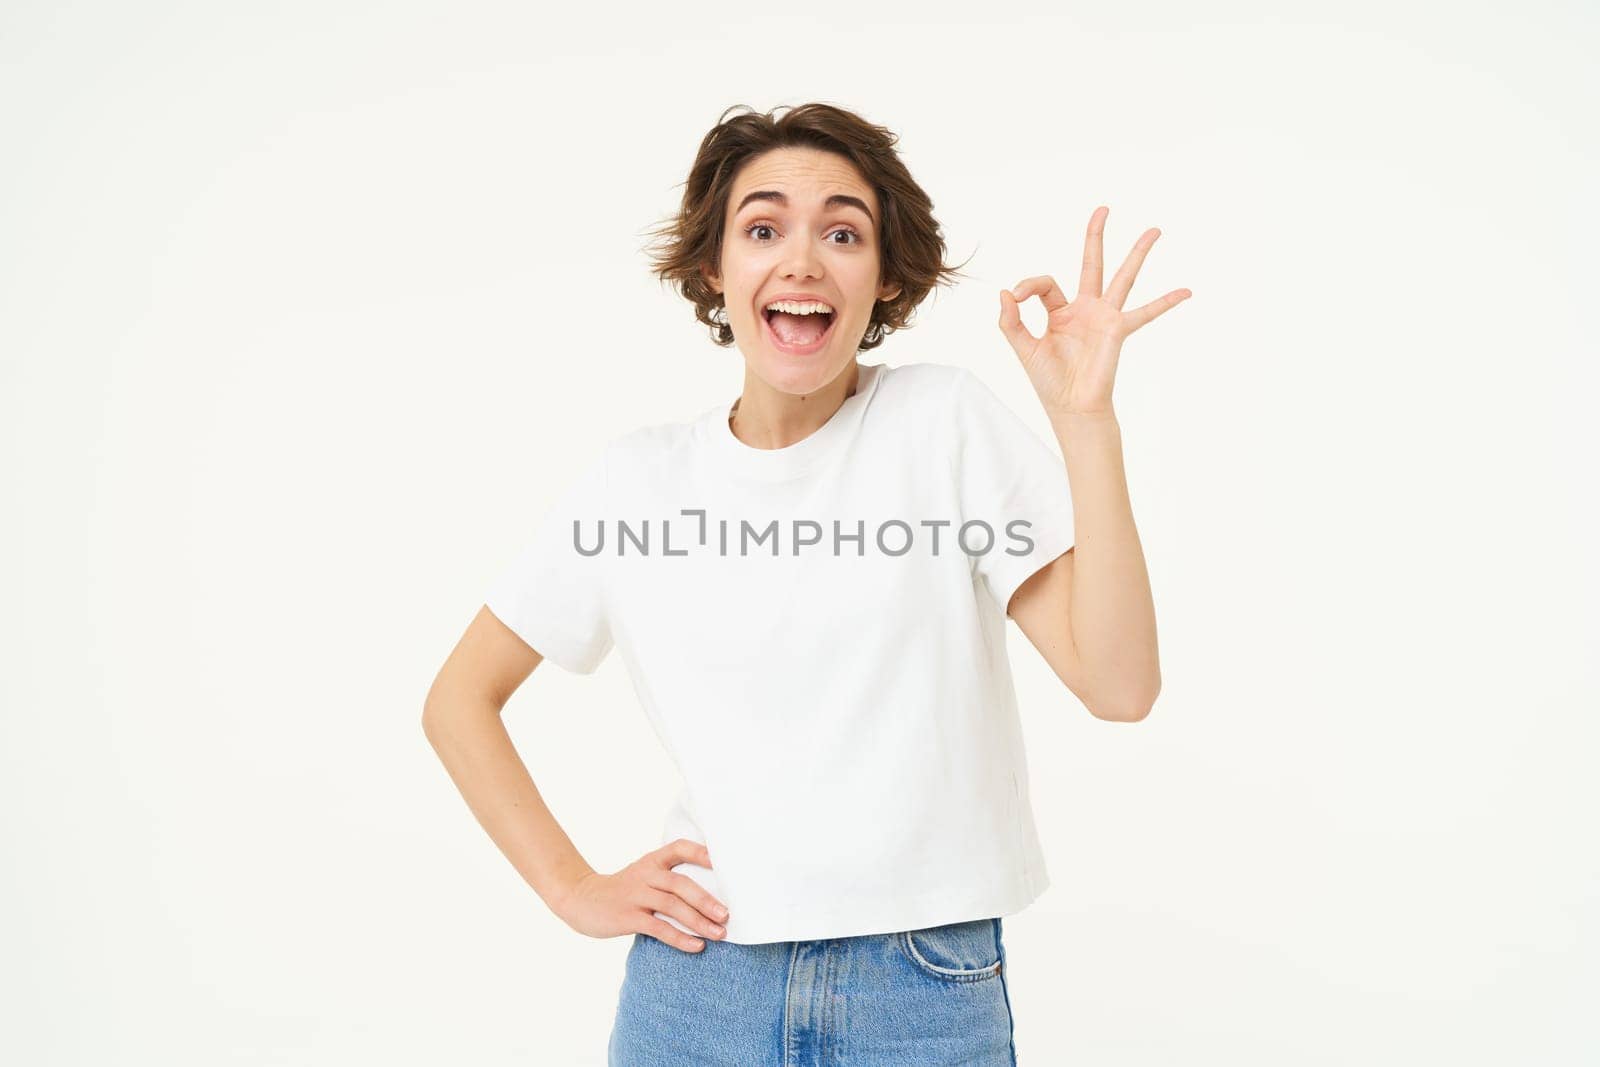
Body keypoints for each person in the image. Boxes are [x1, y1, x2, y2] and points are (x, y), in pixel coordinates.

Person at [422, 101, 1189, 1064]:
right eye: (762, 228)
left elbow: (1119, 685)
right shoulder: (636, 480)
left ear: (885, 277)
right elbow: (459, 701)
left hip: (921, 994)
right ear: (716, 269)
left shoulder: (943, 424)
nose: (801, 261)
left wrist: (1087, 422)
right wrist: (573, 887)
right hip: (697, 989)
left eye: (842, 232)